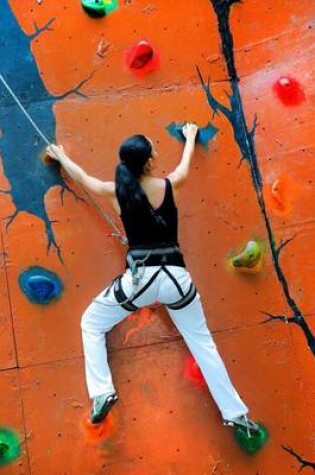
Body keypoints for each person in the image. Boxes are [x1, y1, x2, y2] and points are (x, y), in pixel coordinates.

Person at [46, 124, 259, 435]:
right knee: (203, 344)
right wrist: (188, 139)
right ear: (148, 162)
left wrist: (62, 158)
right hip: (177, 279)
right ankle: (237, 414)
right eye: (153, 150)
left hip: (140, 281)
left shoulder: (115, 191)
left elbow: (84, 179)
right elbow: (184, 168)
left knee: (91, 323)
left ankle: (102, 391)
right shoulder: (168, 185)